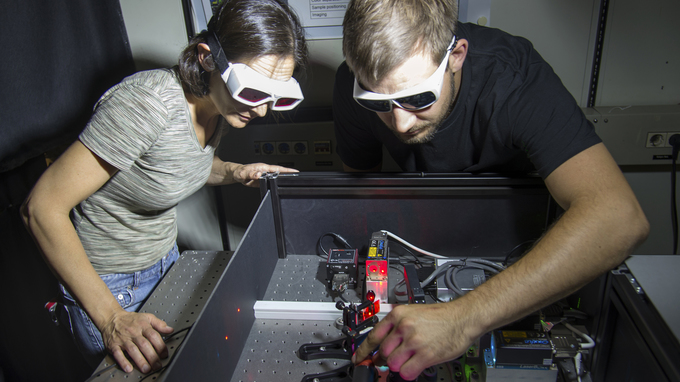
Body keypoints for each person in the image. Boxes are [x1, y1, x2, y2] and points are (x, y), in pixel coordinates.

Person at [333, 0, 649, 379]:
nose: (399, 124)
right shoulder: (352, 85)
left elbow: (619, 217)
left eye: (418, 99)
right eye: (378, 102)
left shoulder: (513, 77)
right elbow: (360, 196)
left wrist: (462, 319)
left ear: (456, 57)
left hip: (529, 247)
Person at [21, 0, 307, 375]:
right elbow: (41, 208)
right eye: (253, 91)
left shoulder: (217, 107)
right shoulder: (148, 104)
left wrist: (237, 171)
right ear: (207, 58)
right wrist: (111, 319)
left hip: (165, 260)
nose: (263, 110)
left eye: (277, 96)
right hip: (109, 287)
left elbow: (176, 166)